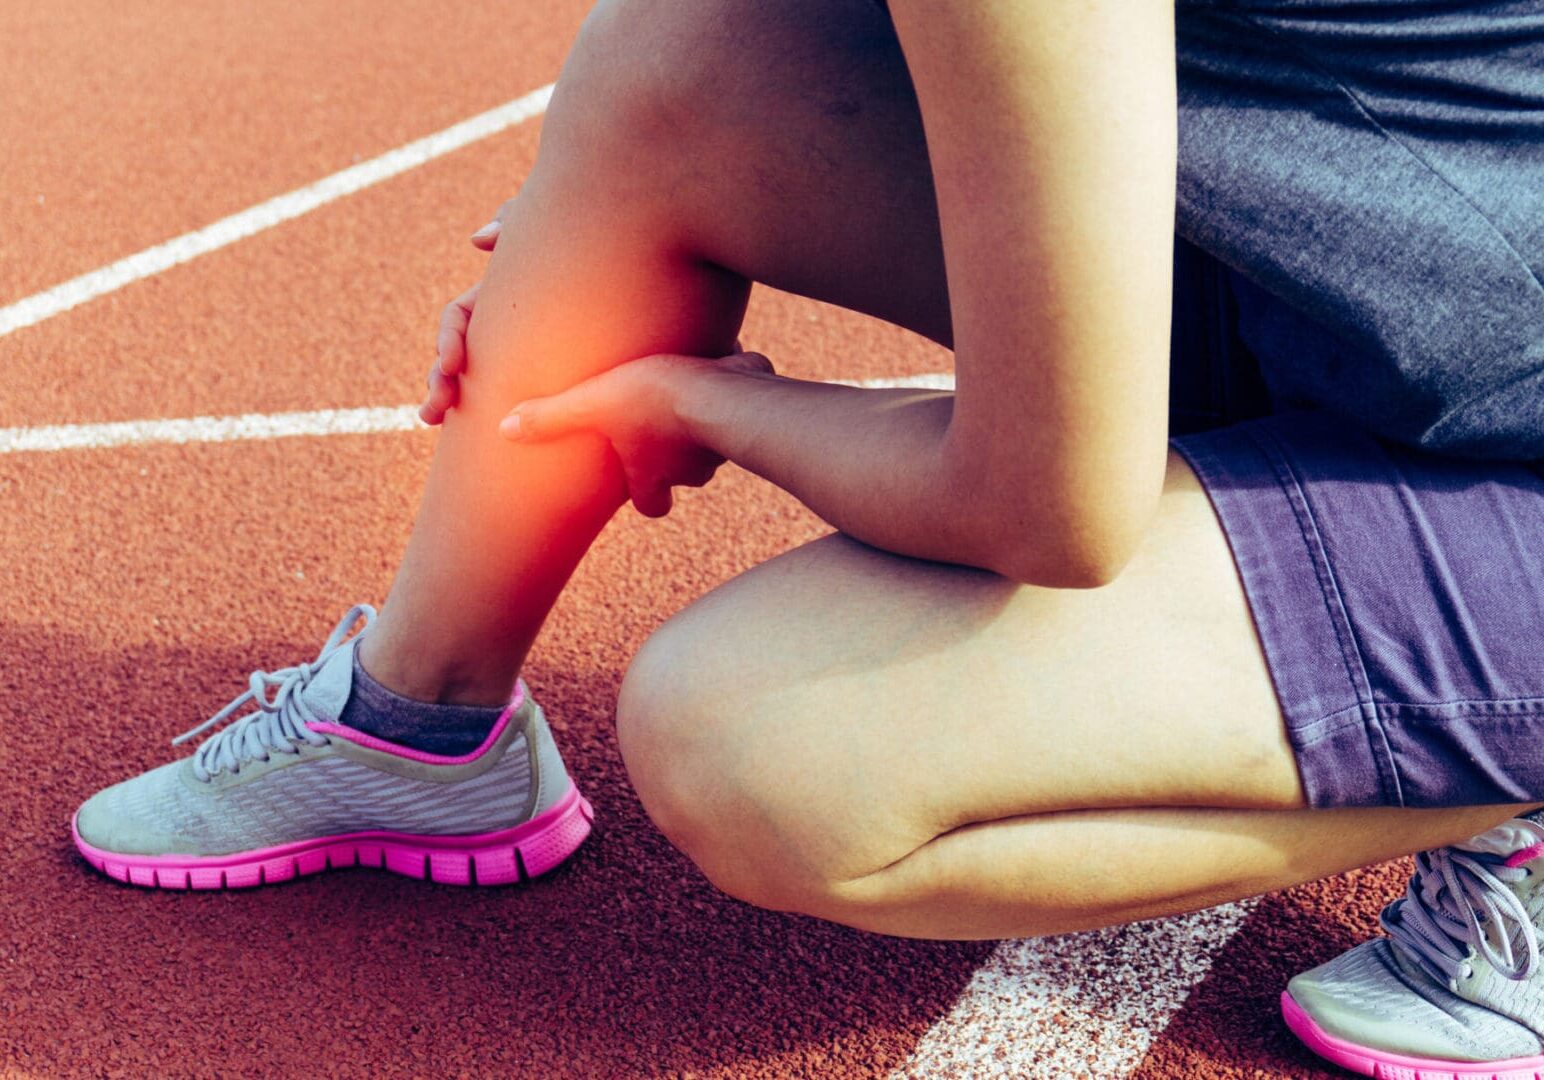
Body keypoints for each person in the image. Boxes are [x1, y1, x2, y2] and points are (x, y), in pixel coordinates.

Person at [71, 0, 1544, 1073]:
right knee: (679, 68)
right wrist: (582, 217)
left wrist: (697, 399)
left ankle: (1508, 792)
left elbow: (1042, 512)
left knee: (762, 746)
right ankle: (416, 726)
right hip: (1366, 301)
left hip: (1504, 450)